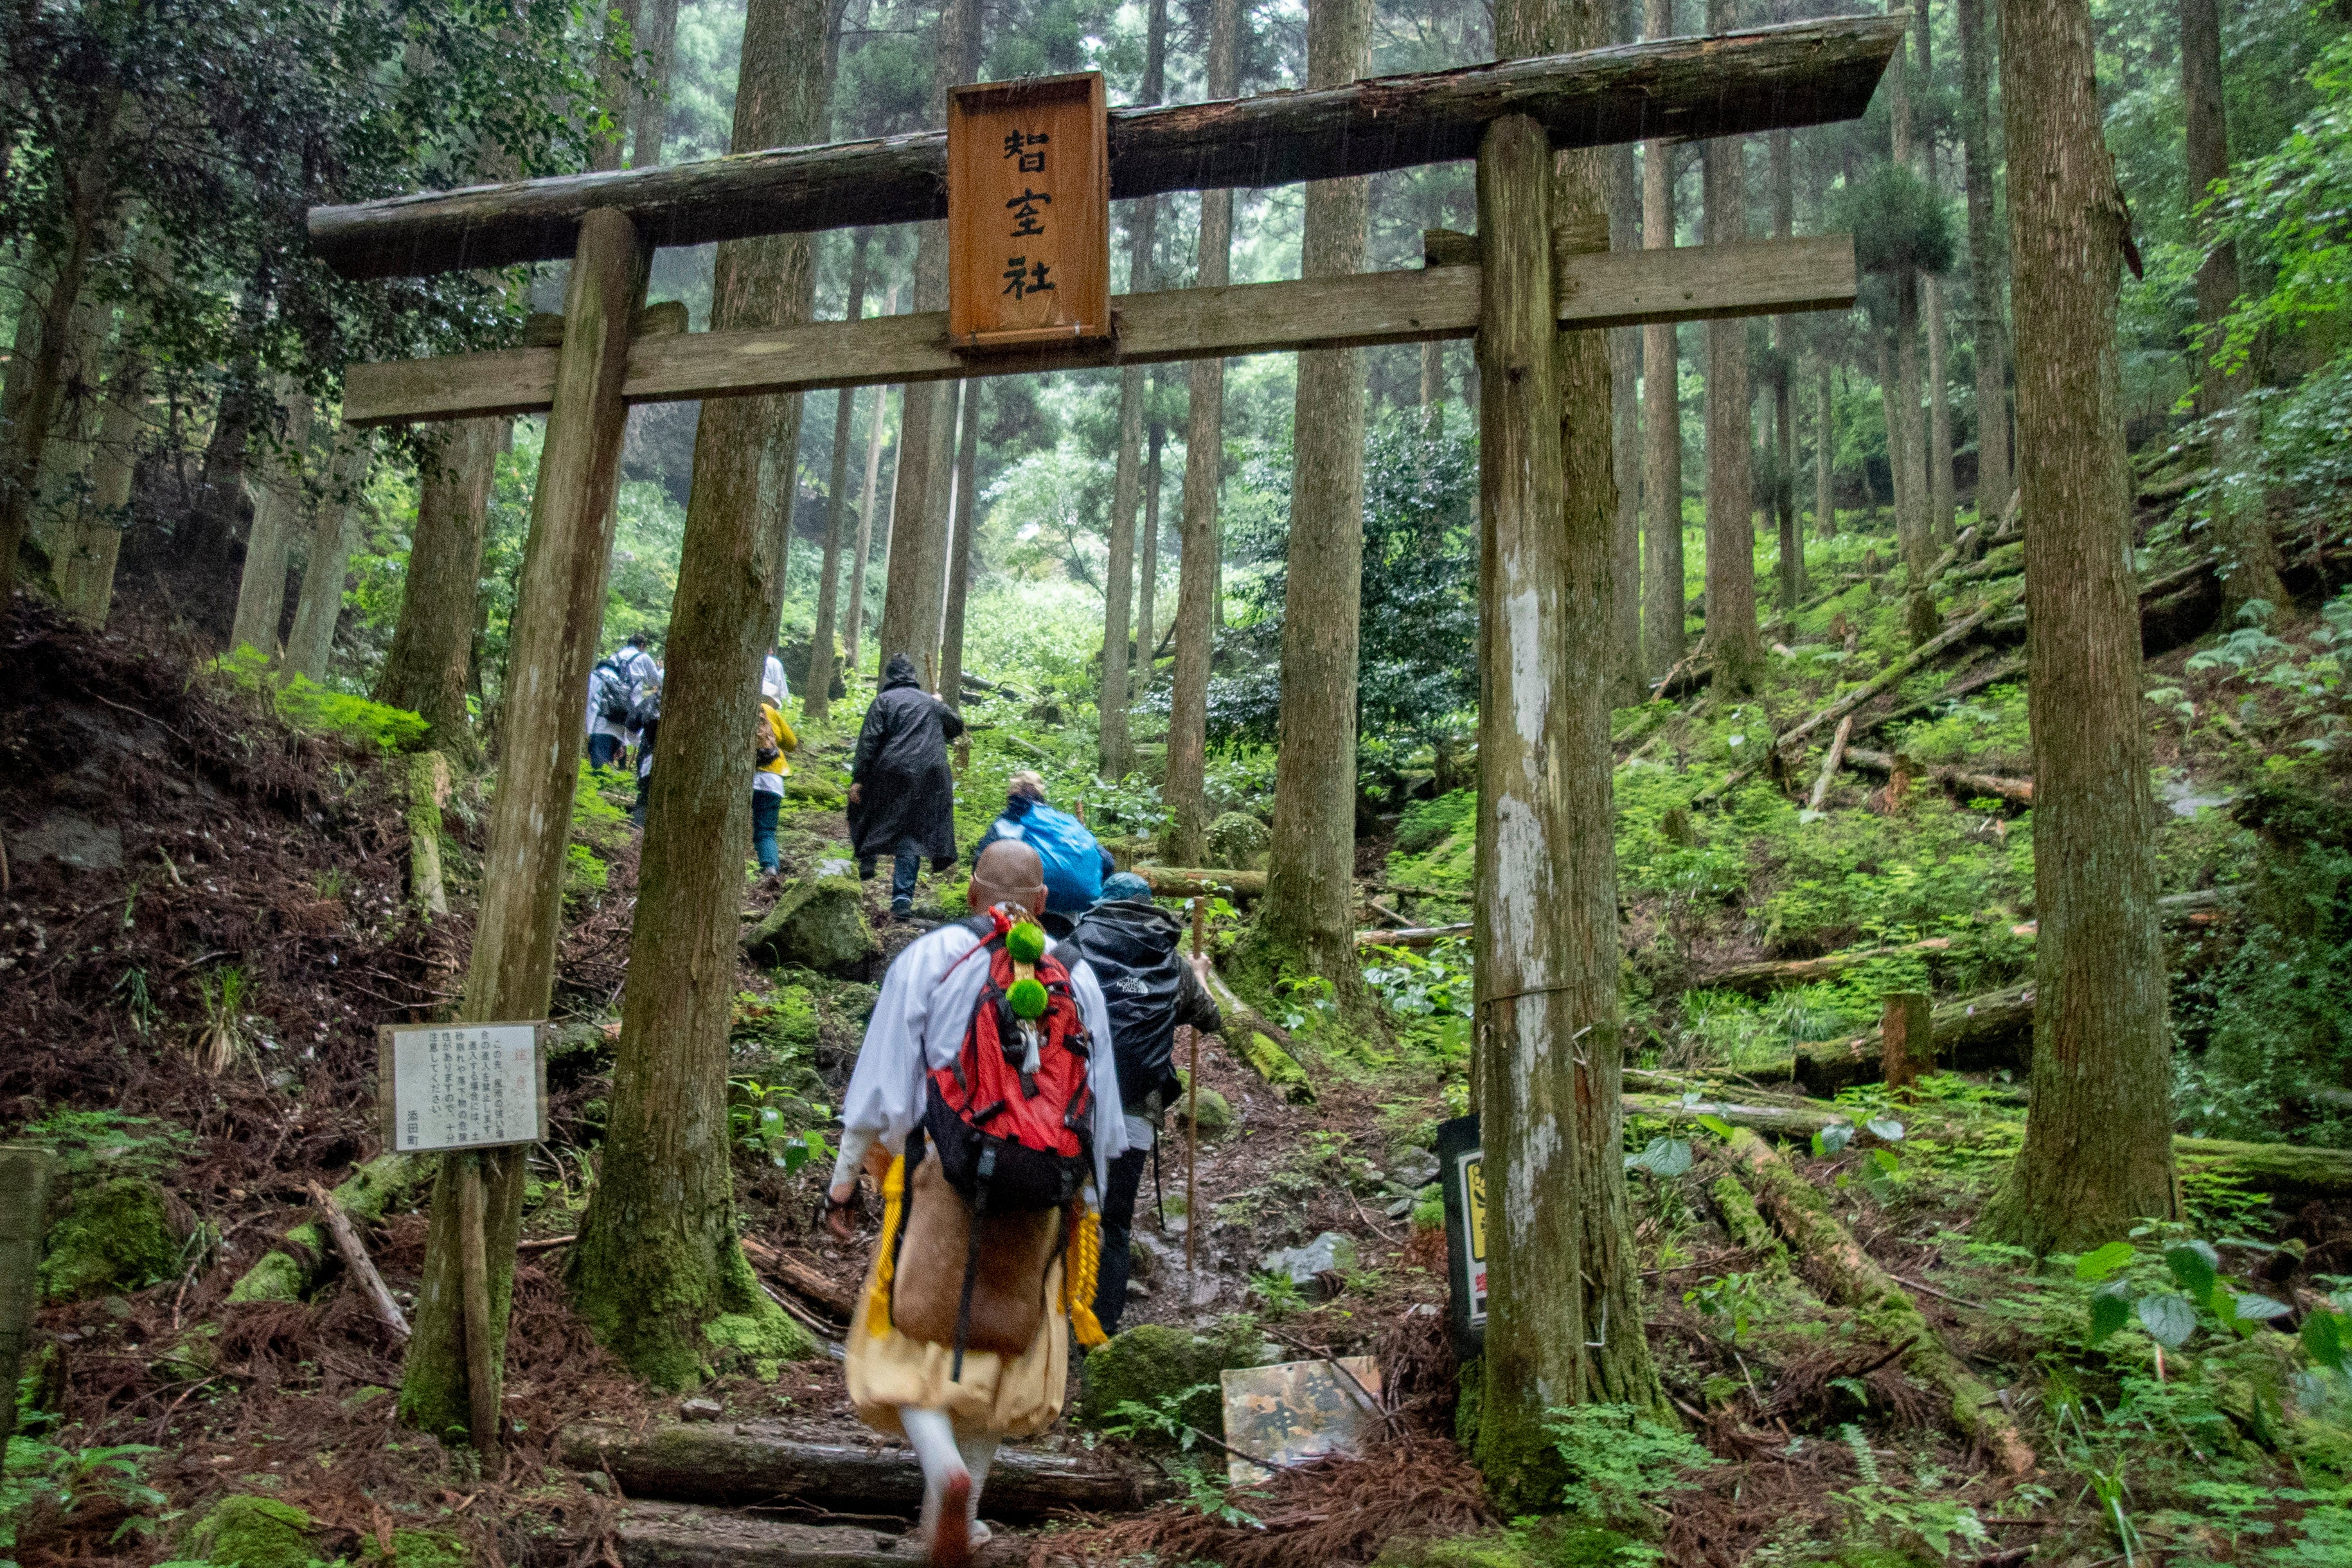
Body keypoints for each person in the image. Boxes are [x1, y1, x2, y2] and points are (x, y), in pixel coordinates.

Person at [826, 840, 1127, 1565]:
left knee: (900, 1340)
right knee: (1005, 1344)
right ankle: (964, 1515)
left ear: (970, 891)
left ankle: (945, 1476)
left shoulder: (932, 958)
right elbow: (1102, 1111)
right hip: (1044, 1193)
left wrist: (843, 1180)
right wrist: (1088, 1201)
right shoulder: (1079, 977)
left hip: (939, 1177)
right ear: (1046, 903)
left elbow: (882, 1089)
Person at [1066, 872, 1221, 1333]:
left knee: (1068, 1210)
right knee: (1115, 1223)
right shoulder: (1170, 963)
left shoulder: (1073, 948)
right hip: (1137, 1110)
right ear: (1149, 907)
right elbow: (1211, 1020)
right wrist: (1198, 976)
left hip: (1078, 1105)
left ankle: (1058, 1316)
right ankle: (1102, 1328)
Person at [848, 652, 964, 918]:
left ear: (890, 677)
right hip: (931, 775)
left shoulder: (884, 701)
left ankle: (867, 858)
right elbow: (957, 725)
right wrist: (938, 705)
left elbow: (869, 741)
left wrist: (859, 778)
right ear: (913, 677)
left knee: (867, 805)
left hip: (893, 770)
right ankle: (902, 899)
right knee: (912, 833)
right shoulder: (930, 703)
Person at [970, 772, 1115, 938]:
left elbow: (981, 863)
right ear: (1041, 793)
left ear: (1011, 793)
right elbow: (1107, 861)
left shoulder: (1010, 820)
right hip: (1068, 917)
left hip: (1020, 913)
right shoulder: (1065, 821)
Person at [585, 632, 657, 771]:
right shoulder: (643, 657)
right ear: (642, 646)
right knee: (625, 740)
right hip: (626, 711)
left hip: (606, 713)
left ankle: (612, 771)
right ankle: (621, 768)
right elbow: (655, 680)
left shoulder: (615, 657)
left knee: (599, 765)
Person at [753, 690, 797, 875]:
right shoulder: (770, 712)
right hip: (772, 780)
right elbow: (792, 743)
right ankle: (770, 867)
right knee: (766, 830)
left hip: (747, 778)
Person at [628, 672, 663, 827]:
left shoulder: (651, 699)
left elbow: (632, 723)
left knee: (644, 796)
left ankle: (638, 829)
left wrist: (634, 741)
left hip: (647, 756)